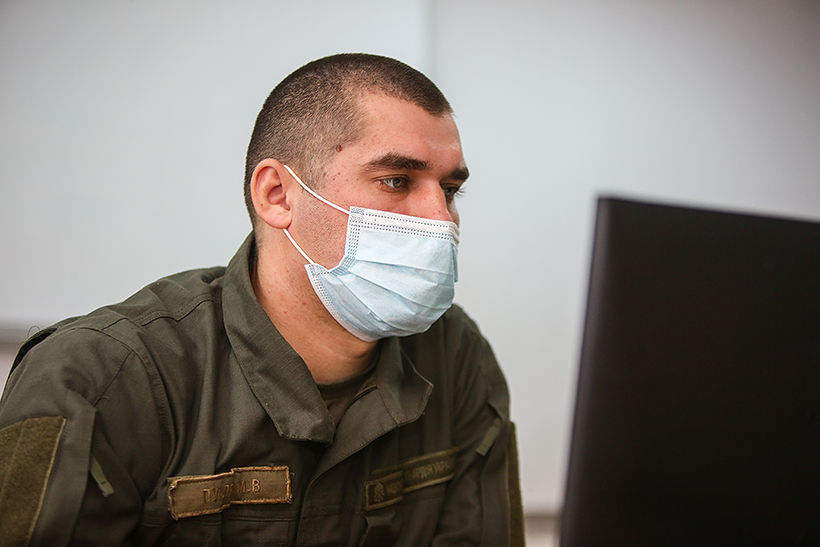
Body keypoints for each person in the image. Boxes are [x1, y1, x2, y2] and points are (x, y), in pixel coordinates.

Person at [0, 53, 522, 546]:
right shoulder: (105, 377)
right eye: (395, 180)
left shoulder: (454, 355)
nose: (441, 218)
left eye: (449, 190)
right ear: (276, 195)